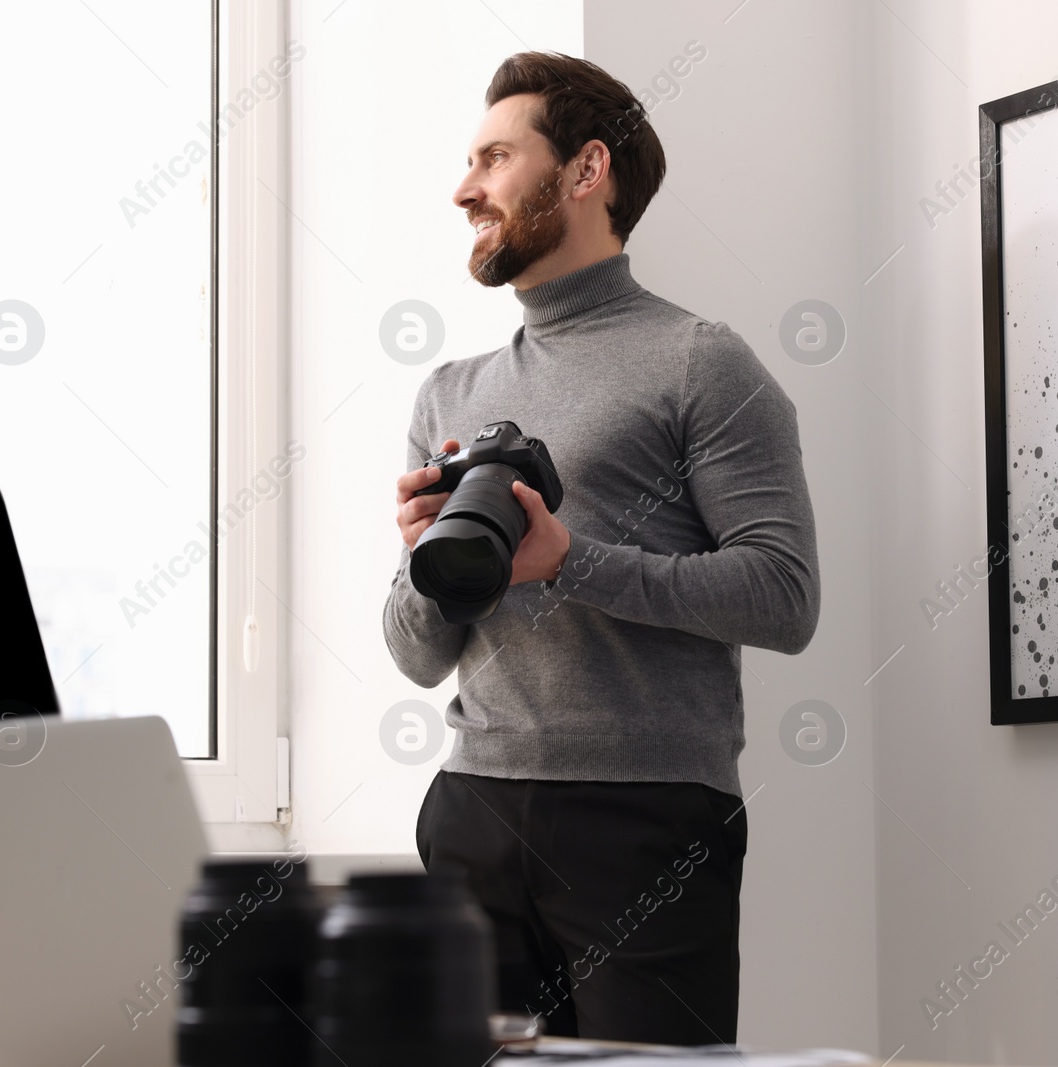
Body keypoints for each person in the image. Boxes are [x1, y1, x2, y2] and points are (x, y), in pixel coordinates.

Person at [382, 50, 820, 1046]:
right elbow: (415, 655)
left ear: (586, 172)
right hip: (471, 810)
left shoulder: (699, 360)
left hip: (646, 817)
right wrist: (422, 563)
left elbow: (781, 594)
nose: (464, 188)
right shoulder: (447, 393)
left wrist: (566, 561)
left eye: (494, 157)